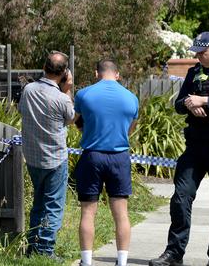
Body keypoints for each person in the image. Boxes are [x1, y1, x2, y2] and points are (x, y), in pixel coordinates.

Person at [150, 32, 209, 266]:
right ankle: (174, 253)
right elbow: (179, 103)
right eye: (196, 53)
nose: (199, 57)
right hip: (194, 147)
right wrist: (189, 105)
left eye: (202, 53)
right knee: (180, 199)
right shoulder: (194, 73)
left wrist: (204, 101)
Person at [73, 58, 139, 266]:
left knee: (88, 212)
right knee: (121, 214)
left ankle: (86, 261)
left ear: (96, 74)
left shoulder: (83, 94)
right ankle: (122, 261)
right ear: (117, 74)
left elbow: (76, 120)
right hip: (119, 158)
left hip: (92, 156)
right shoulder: (131, 98)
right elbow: (130, 129)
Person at [18, 50, 75, 258]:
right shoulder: (62, 98)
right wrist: (67, 90)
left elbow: (21, 110)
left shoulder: (28, 90)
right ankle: (45, 249)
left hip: (33, 157)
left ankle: (32, 247)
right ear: (64, 73)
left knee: (38, 203)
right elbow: (70, 119)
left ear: (44, 67)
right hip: (55, 159)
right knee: (54, 205)